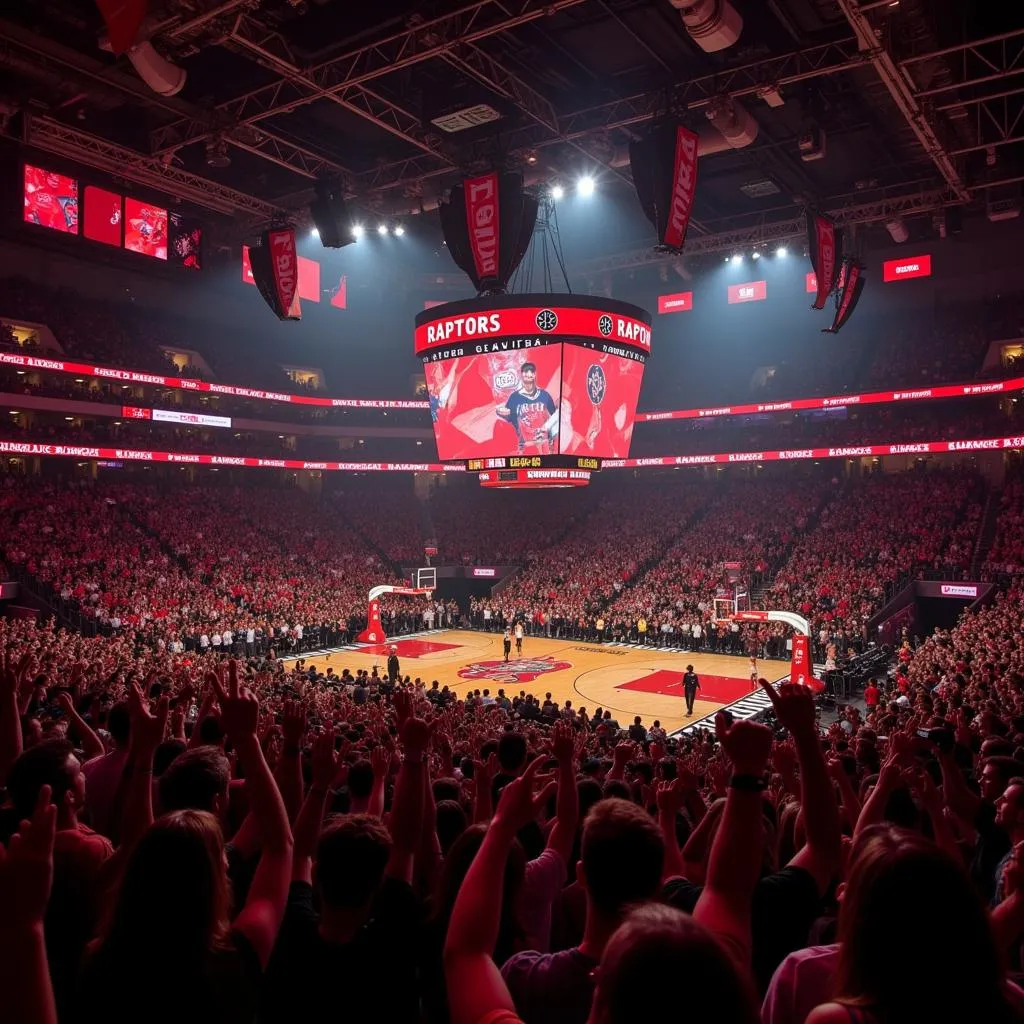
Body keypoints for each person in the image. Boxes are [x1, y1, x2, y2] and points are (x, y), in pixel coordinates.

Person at [496, 362, 558, 454]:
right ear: (522, 375)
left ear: (534, 374)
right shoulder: (514, 397)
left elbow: (555, 417)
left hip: (544, 445)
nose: (528, 374)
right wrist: (501, 413)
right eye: (525, 372)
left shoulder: (545, 396)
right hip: (525, 447)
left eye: (531, 371)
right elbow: (510, 419)